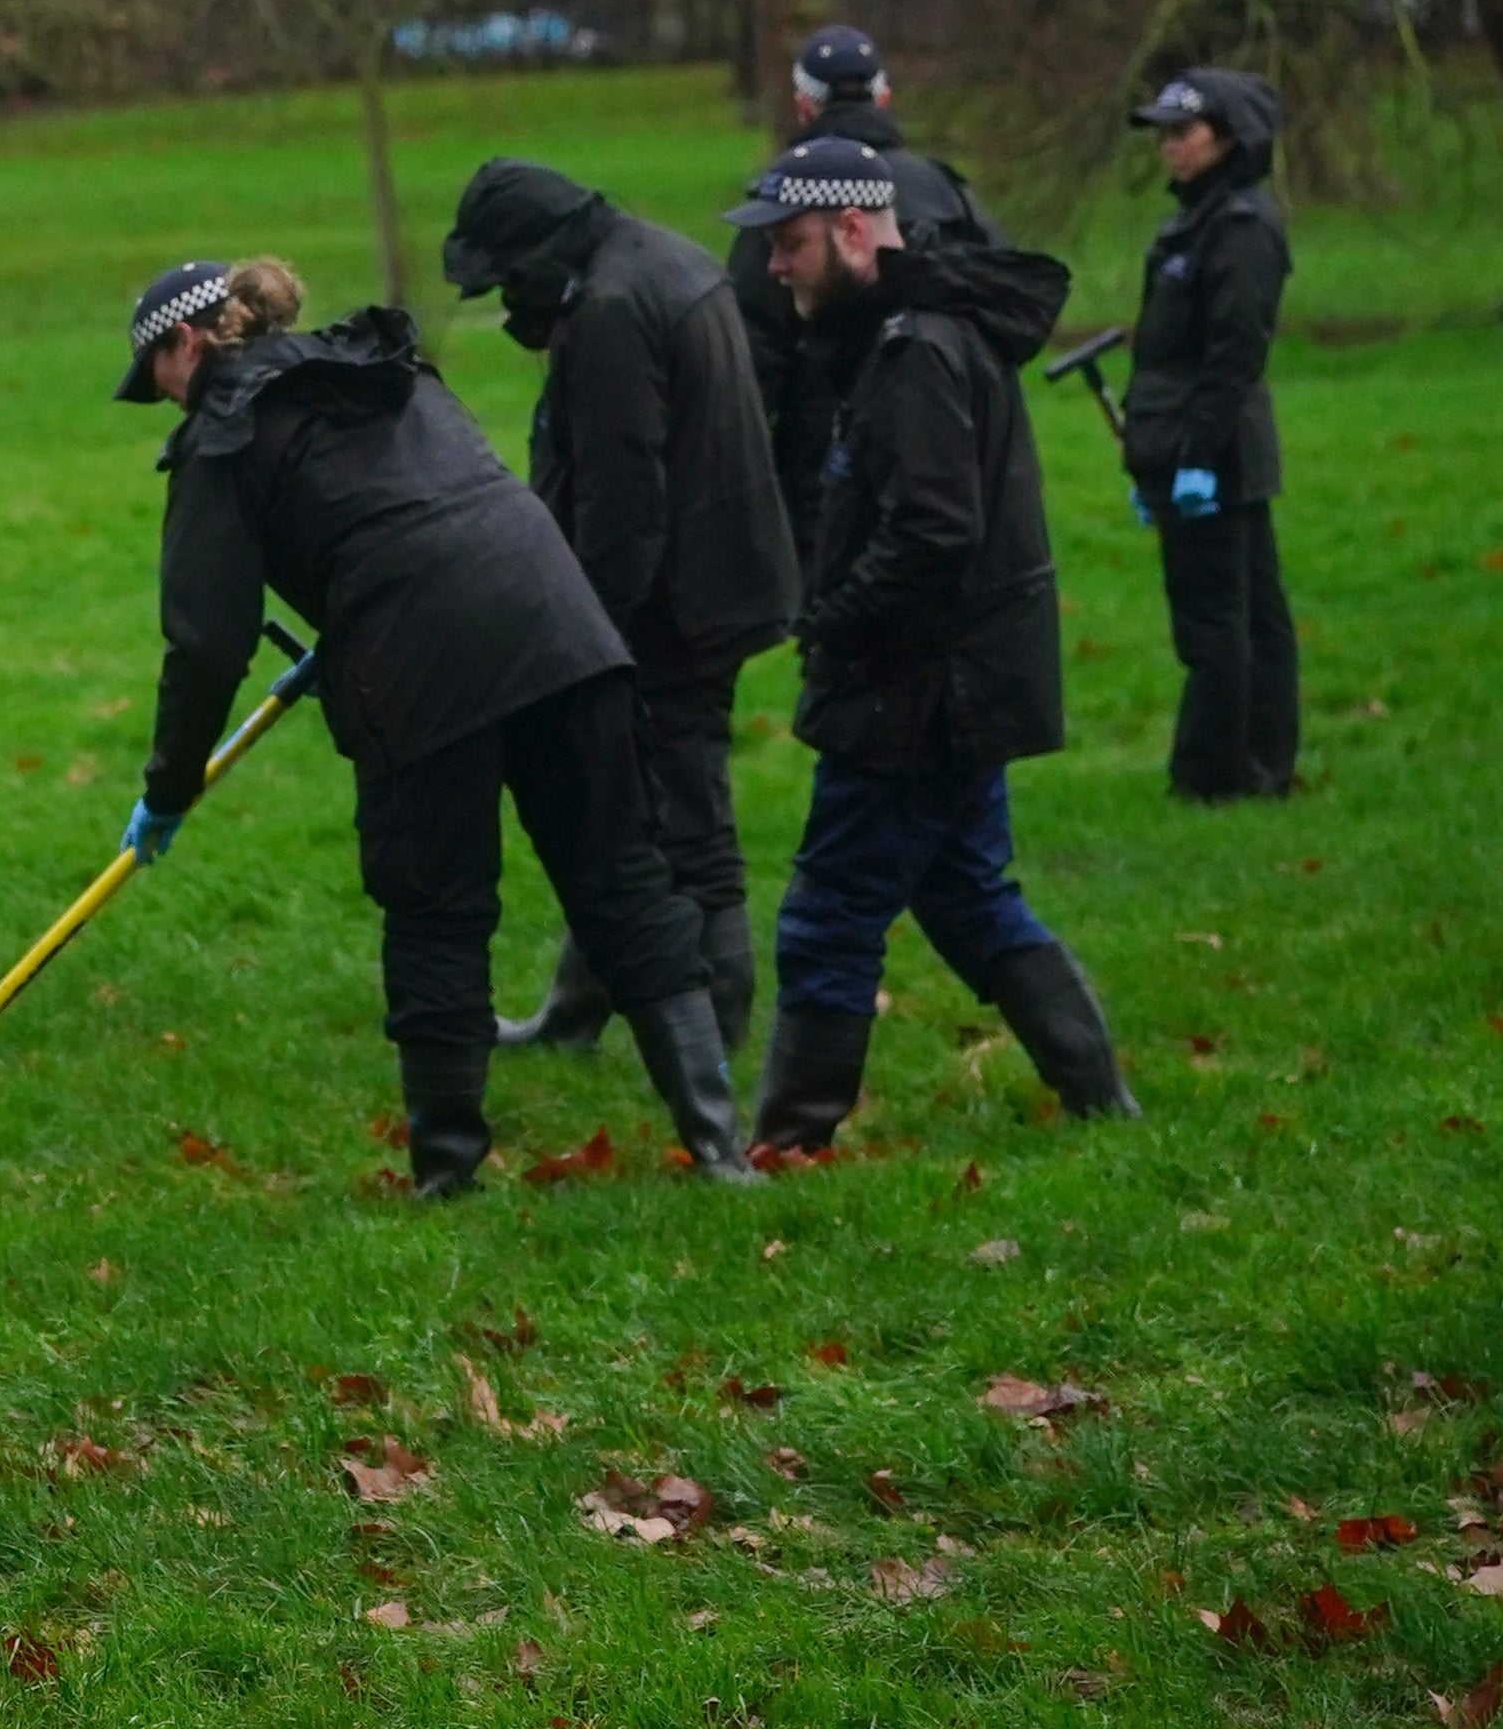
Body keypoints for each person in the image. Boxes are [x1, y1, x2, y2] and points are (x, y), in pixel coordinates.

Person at [116, 258, 748, 1193]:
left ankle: (449, 1172)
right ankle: (720, 1150)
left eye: (155, 377)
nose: (162, 399)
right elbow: (426, 511)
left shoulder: (223, 437)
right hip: (560, 624)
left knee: (436, 910)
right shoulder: (383, 365)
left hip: (423, 666)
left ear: (185, 345)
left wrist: (168, 788)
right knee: (620, 877)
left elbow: (207, 645)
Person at [717, 139, 1136, 1148]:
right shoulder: (913, 333)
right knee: (965, 896)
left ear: (854, 230)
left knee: (825, 915)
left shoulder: (914, 351)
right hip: (951, 682)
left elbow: (930, 535)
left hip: (918, 692)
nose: (773, 268)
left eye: (790, 244)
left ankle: (785, 1142)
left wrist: (827, 617)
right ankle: (1101, 1103)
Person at [442, 160, 801, 1053]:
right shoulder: (665, 258)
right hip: (723, 578)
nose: (510, 307)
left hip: (673, 611)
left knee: (688, 827)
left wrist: (585, 636)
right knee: (615, 814)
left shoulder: (607, 311)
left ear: (539, 257)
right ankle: (575, 1014)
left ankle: (715, 1038)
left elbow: (623, 500)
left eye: (508, 284)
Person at [726, 28, 991, 551]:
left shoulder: (787, 206)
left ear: (803, 106)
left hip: (825, 453)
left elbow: (754, 351)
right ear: (884, 99)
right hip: (957, 445)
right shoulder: (947, 190)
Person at [1123, 69, 1299, 803]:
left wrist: (1196, 458)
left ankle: (1214, 777)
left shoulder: (1240, 229)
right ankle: (1254, 769)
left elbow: (1233, 355)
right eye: (1164, 134)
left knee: (1220, 620)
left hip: (1214, 450)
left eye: (1183, 133)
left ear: (1228, 140)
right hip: (1184, 443)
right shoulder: (1195, 222)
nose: (1170, 149)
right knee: (1244, 612)